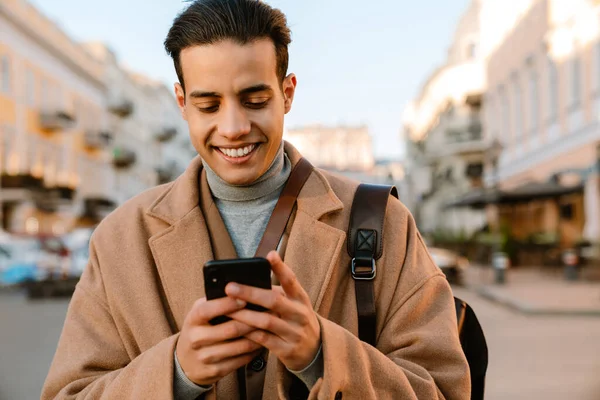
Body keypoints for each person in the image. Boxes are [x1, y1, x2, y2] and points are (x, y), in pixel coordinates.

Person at [42, 1, 470, 398]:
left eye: (255, 100)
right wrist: (176, 372)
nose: (232, 127)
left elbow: (445, 389)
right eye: (208, 105)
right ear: (181, 103)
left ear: (287, 93)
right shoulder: (119, 239)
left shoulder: (382, 221)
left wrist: (323, 355)